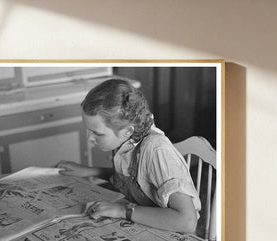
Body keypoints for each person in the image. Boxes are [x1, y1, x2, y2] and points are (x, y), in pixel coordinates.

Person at [56, 78, 201, 233]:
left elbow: (187, 222)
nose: (90, 139)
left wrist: (122, 211)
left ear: (127, 131)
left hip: (172, 229)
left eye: (97, 133)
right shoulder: (126, 141)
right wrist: (89, 171)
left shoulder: (156, 151)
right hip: (143, 220)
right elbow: (136, 177)